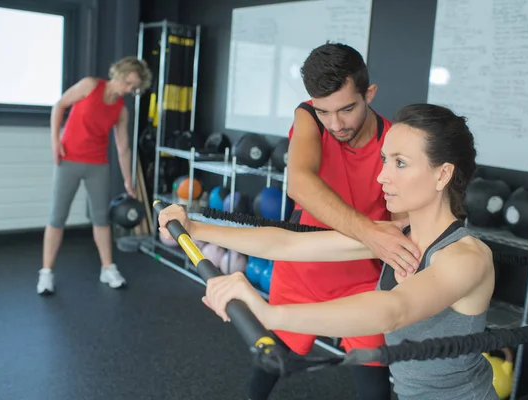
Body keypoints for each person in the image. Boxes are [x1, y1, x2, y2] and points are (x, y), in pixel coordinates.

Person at [158, 103, 499, 400]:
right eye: (385, 160)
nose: (382, 176)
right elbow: (287, 244)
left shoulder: (466, 257)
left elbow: (394, 309)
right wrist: (196, 228)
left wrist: (271, 315)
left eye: (400, 163)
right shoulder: (395, 237)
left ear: (442, 174)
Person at [247, 42, 422, 399]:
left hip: (361, 282)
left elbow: (402, 219)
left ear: (369, 94)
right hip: (302, 273)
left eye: (347, 109)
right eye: (324, 111)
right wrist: (371, 233)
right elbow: (299, 184)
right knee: (269, 365)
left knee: (374, 388)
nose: (336, 123)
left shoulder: (394, 141)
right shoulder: (308, 117)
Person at [37, 56, 152, 295]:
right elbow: (59, 106)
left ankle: (107, 268)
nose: (129, 90)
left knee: (101, 219)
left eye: (134, 87)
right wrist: (54, 142)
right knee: (57, 217)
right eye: (129, 83)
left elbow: (123, 148)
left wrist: (128, 181)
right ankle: (46, 273)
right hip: (68, 160)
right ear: (118, 74)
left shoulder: (121, 110)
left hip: (97, 165)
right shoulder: (90, 85)